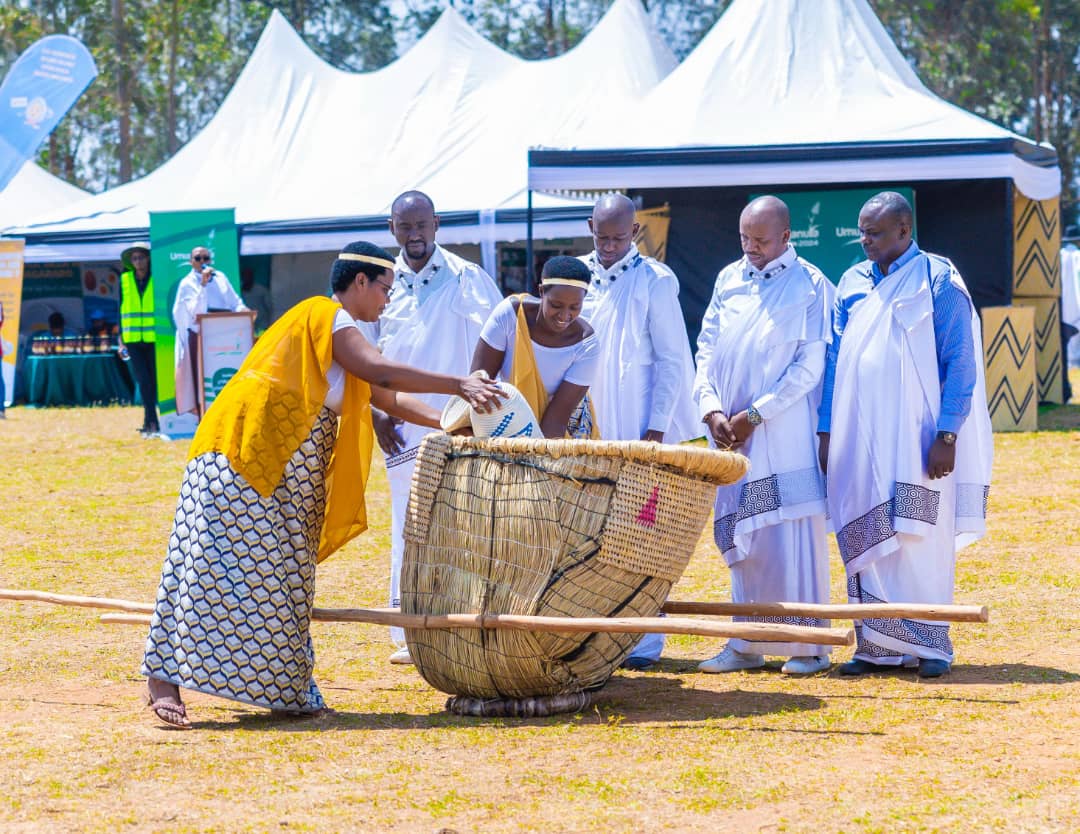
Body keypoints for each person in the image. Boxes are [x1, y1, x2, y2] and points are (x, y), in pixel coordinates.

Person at [141, 241, 505, 728]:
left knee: (282, 580)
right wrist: (458, 384)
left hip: (283, 475)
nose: (387, 301)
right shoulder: (326, 317)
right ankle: (162, 679)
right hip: (247, 456)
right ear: (359, 282)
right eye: (384, 290)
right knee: (206, 565)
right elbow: (378, 370)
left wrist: (450, 422)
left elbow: (385, 397)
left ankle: (281, 689)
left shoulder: (344, 337)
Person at [818, 191, 993, 679]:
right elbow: (835, 360)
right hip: (860, 434)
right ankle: (874, 646)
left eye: (875, 232)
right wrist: (827, 429)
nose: (865, 240)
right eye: (862, 231)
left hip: (919, 437)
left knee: (919, 538)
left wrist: (948, 435)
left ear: (905, 230)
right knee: (865, 525)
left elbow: (960, 361)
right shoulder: (851, 282)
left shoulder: (938, 279)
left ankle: (931, 644)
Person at [693, 196, 834, 676]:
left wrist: (756, 413)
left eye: (761, 240)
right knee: (742, 540)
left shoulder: (812, 284)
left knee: (788, 535)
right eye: (744, 238)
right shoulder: (728, 279)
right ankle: (745, 642)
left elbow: (810, 366)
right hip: (729, 437)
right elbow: (706, 347)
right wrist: (711, 410)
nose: (751, 248)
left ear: (787, 237)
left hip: (783, 431)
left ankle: (808, 645)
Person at [365, 190, 503, 664]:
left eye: (421, 225)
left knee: (467, 520)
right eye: (405, 227)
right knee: (409, 521)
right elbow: (364, 354)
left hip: (461, 424)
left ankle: (464, 623)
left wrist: (485, 411)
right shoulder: (381, 284)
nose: (415, 235)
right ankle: (407, 631)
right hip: (401, 425)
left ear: (437, 224)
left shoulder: (469, 277)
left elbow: (498, 341)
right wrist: (376, 411)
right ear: (392, 229)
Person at [579, 193, 699, 670]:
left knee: (641, 531)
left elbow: (672, 360)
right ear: (590, 227)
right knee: (589, 530)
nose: (609, 247)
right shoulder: (575, 273)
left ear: (635, 232)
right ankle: (592, 632)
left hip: (641, 427)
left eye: (618, 237)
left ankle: (643, 640)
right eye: (601, 236)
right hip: (589, 425)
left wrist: (656, 429)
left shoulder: (655, 279)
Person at [471, 256, 599, 438]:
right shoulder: (510, 315)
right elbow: (479, 384)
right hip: (507, 426)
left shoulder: (586, 343)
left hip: (561, 438)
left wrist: (536, 461)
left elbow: (557, 419)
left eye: (575, 307)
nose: (565, 315)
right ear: (541, 291)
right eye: (556, 305)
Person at [172, 246, 248, 415]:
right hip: (201, 336)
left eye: (206, 258)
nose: (203, 262)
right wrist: (203, 285)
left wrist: (244, 312)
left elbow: (234, 302)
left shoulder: (220, 278)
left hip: (225, 335)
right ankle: (204, 416)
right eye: (198, 258)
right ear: (191, 262)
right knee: (202, 381)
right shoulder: (187, 283)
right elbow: (194, 312)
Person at [119, 243, 159, 435]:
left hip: (154, 338)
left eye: (141, 257)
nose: (138, 262)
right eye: (134, 259)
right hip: (133, 339)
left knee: (153, 380)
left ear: (148, 259)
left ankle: (152, 420)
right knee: (143, 381)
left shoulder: (157, 278)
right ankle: (150, 419)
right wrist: (120, 340)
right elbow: (120, 309)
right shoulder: (124, 280)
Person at [241, 268, 274, 333]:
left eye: (248, 276)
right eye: (244, 276)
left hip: (262, 324)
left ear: (252, 277)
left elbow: (270, 306)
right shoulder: (239, 291)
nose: (246, 278)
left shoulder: (261, 290)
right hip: (247, 324)